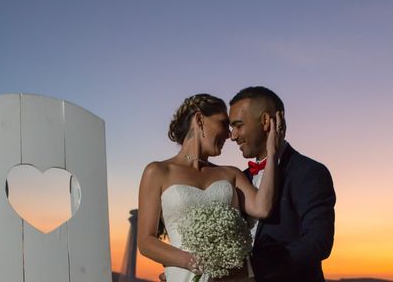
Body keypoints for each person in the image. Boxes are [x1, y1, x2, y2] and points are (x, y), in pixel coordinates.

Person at [138, 93, 284, 282]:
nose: (230, 135)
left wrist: (272, 151)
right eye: (224, 124)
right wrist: (189, 261)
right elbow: (145, 242)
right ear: (199, 120)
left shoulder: (231, 174)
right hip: (186, 276)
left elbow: (262, 208)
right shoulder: (157, 171)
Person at [229, 86, 335, 282]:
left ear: (266, 121)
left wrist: (251, 270)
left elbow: (318, 243)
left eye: (238, 125)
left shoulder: (309, 172)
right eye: (231, 127)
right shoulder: (239, 179)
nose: (233, 135)